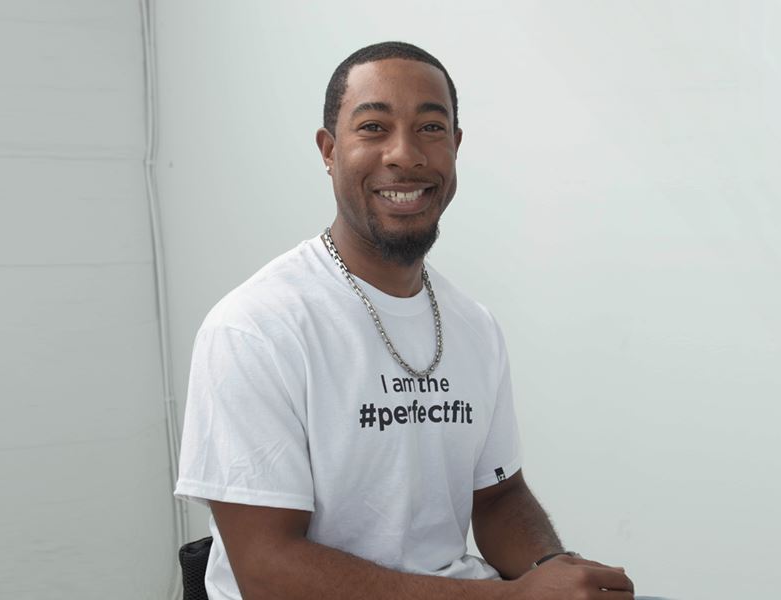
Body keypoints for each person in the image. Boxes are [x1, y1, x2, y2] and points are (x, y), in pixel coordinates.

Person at [174, 41, 638, 600]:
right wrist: (516, 598)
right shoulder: (255, 329)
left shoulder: (474, 326)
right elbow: (268, 570)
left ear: (456, 147)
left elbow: (496, 496)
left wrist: (553, 569)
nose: (406, 155)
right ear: (328, 150)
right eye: (373, 128)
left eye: (431, 129)